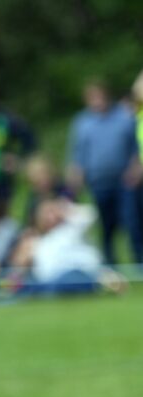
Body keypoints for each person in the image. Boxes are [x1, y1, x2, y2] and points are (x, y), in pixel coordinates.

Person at [66, 79, 142, 265]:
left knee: (132, 222)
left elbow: (135, 146)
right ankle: (110, 264)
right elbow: (78, 153)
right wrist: (75, 177)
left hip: (125, 180)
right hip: (98, 182)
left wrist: (136, 168)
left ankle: (139, 264)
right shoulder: (83, 122)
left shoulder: (124, 116)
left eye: (100, 97)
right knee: (106, 226)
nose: (97, 101)